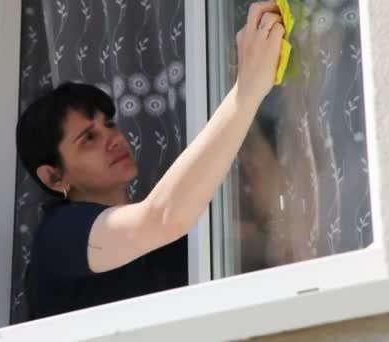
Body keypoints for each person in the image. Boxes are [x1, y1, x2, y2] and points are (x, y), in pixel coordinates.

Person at [16, 1, 285, 319]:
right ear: (54, 177)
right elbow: (165, 217)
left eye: (109, 124)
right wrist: (247, 90)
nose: (113, 138)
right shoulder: (58, 237)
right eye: (89, 138)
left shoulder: (158, 244)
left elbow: (276, 244)